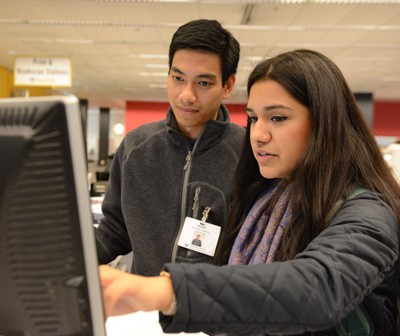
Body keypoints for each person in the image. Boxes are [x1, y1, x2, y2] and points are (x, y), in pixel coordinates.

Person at [99, 49, 400, 335]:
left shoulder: (369, 213)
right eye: (254, 118)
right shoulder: (265, 198)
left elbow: (317, 287)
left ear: (325, 123)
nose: (258, 134)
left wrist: (163, 291)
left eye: (278, 118)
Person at [95, 19, 244, 276]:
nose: (186, 94)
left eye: (204, 83)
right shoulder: (136, 147)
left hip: (215, 309)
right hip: (144, 305)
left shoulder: (247, 154)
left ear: (227, 86)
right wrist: (63, 259)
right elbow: (115, 230)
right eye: (178, 78)